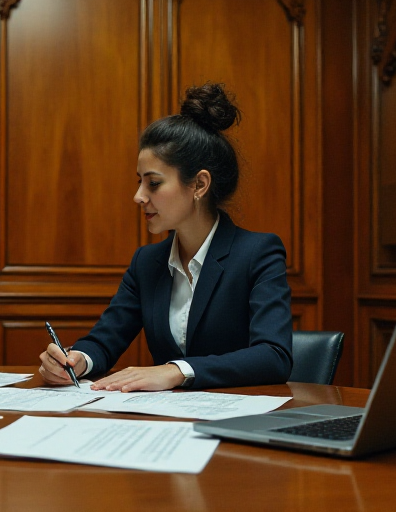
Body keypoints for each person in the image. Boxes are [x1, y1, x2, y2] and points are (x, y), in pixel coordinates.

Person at [38, 83, 292, 391]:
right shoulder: (147, 262)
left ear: (199, 184)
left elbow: (274, 356)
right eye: (139, 182)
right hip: (165, 424)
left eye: (153, 184)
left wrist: (176, 371)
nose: (138, 196)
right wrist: (77, 359)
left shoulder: (258, 253)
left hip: (237, 423)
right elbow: (105, 340)